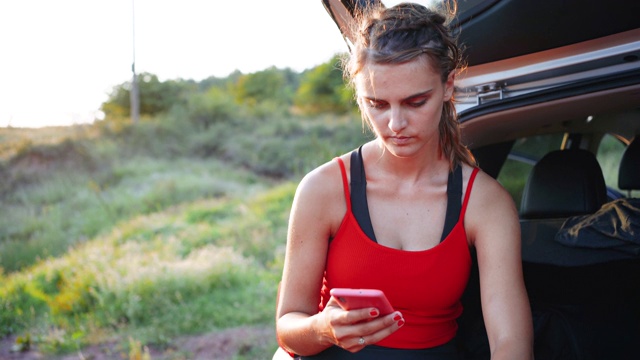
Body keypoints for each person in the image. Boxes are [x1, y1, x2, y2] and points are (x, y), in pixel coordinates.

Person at [275, 2, 534, 359]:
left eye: (415, 102)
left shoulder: (484, 202)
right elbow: (288, 327)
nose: (395, 124)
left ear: (447, 86)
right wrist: (323, 327)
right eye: (377, 104)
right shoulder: (323, 189)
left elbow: (510, 344)